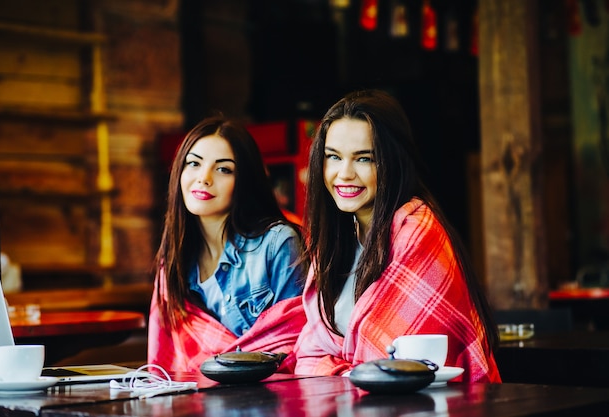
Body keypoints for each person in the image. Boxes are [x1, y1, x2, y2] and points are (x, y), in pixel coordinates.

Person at [293, 89, 501, 383]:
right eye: (333, 157)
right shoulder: (336, 239)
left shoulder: (416, 233)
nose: (344, 173)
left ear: (392, 161)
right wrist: (348, 370)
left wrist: (337, 368)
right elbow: (307, 356)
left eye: (364, 159)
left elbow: (398, 367)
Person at [148, 116, 307, 373]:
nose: (204, 178)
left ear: (245, 180)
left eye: (223, 169)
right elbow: (162, 365)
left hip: (270, 397)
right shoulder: (174, 261)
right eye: (194, 164)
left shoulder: (277, 244)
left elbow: (295, 344)